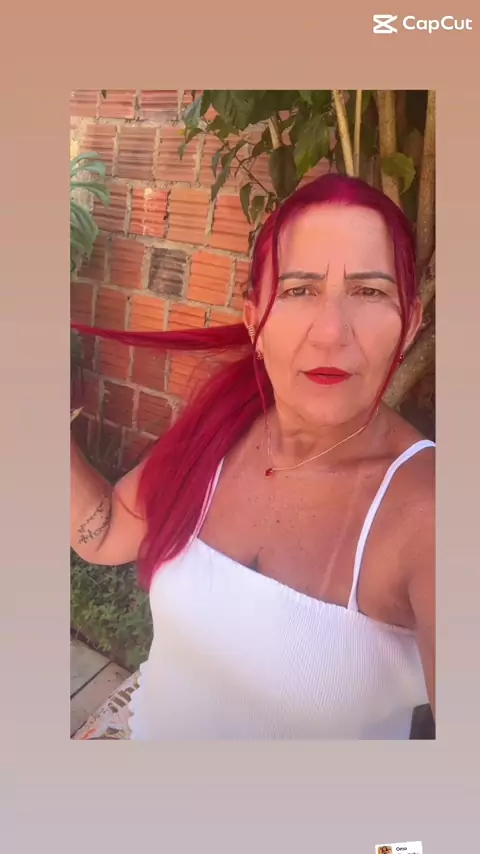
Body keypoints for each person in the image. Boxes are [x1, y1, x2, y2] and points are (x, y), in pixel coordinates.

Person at [71, 173, 435, 739]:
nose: (330, 332)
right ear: (253, 322)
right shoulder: (222, 429)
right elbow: (108, 533)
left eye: (368, 292)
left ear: (409, 324)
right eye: (298, 290)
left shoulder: (429, 514)